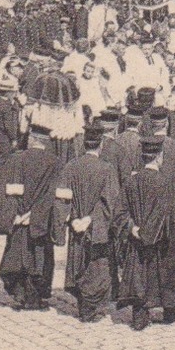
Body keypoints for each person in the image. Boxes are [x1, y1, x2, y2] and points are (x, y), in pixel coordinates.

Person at [56, 126, 121, 323]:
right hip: (96, 229)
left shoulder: (70, 167)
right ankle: (92, 308)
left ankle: (84, 306)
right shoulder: (107, 169)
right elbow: (111, 203)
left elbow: (61, 198)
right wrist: (91, 219)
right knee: (97, 267)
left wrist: (71, 219)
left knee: (78, 263)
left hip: (76, 226)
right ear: (100, 145)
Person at [0, 123, 62, 311]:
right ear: (46, 142)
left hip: (19, 219)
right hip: (41, 221)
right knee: (39, 257)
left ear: (31, 139)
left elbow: (6, 189)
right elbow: (52, 194)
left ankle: (21, 294)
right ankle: (36, 296)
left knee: (18, 254)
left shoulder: (15, 159)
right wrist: (36, 214)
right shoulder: (54, 162)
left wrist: (16, 214)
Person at [120, 135, 175, 330]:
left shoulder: (131, 182)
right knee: (165, 273)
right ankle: (169, 311)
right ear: (159, 156)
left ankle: (140, 315)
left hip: (137, 238)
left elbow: (120, 212)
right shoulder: (167, 182)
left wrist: (133, 228)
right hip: (162, 239)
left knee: (140, 274)